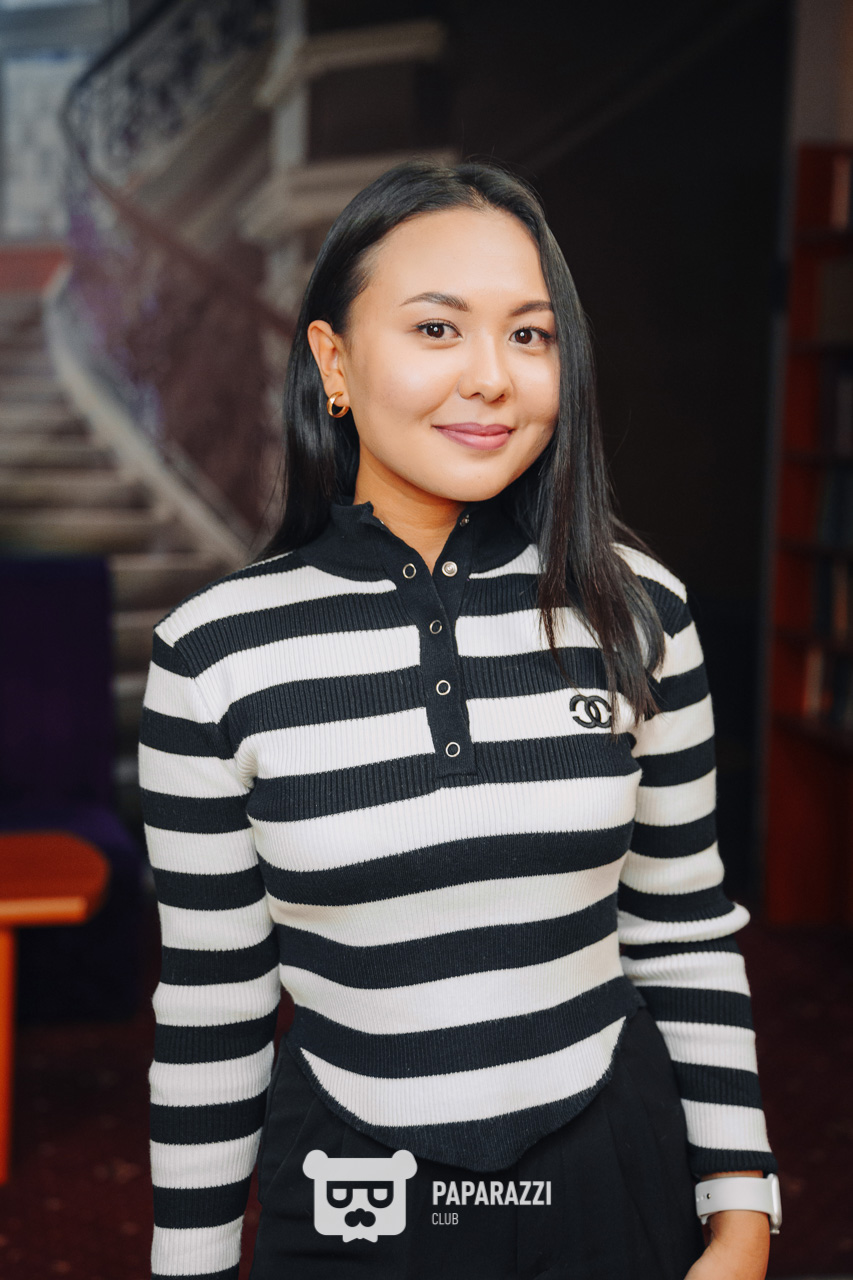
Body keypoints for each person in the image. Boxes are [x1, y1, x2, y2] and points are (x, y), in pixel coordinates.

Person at [139, 158, 780, 1280]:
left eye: (529, 336)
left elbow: (681, 931)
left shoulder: (640, 611)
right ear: (334, 362)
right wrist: (186, 1267)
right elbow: (214, 999)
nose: (491, 377)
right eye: (437, 329)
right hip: (353, 1191)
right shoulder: (212, 652)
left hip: (612, 1174)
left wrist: (740, 1215)